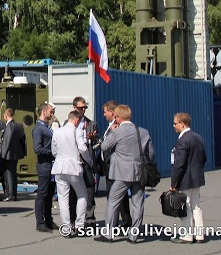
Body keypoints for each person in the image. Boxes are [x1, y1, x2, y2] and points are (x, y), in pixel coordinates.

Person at [95, 104, 155, 244]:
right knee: (138, 203)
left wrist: (111, 133)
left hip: (122, 173)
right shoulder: (143, 132)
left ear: (118, 118)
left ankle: (109, 234)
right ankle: (134, 235)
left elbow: (104, 147)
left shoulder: (117, 132)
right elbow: (151, 154)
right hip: (138, 171)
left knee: (113, 202)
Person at [169, 112, 207, 243]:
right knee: (196, 206)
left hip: (185, 178)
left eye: (175, 123)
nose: (173, 125)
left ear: (182, 124)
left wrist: (173, 183)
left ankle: (187, 235)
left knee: (185, 206)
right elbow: (203, 158)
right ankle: (200, 235)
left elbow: (179, 164)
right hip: (197, 177)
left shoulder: (182, 140)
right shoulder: (198, 137)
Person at [52, 110, 90, 237]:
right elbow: (83, 149)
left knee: (63, 199)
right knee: (82, 195)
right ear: (77, 120)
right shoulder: (77, 131)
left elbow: (54, 151)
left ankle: (66, 226)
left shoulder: (57, 132)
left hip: (59, 167)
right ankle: (79, 225)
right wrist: (89, 161)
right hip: (73, 167)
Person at [66, 96, 98, 229]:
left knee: (89, 192)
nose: (83, 110)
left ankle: (89, 219)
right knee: (73, 193)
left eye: (85, 107)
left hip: (87, 162)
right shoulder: (67, 124)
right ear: (75, 108)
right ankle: (73, 220)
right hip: (74, 161)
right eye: (81, 107)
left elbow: (97, 143)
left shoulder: (91, 124)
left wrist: (93, 139)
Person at [99, 100, 130, 228]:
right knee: (115, 195)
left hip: (114, 165)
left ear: (112, 113)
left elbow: (108, 145)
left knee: (115, 195)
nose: (104, 114)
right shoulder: (111, 126)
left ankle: (118, 223)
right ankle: (119, 221)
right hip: (108, 165)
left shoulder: (116, 127)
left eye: (105, 112)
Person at [33, 102, 56, 232]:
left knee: (49, 194)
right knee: (42, 194)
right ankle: (40, 223)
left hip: (51, 165)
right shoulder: (38, 129)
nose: (52, 114)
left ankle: (48, 220)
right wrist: (53, 153)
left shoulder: (47, 127)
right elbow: (37, 148)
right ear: (44, 112)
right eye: (51, 111)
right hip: (44, 165)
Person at [0, 108, 26, 201]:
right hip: (16, 154)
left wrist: (3, 154)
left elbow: (7, 141)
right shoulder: (19, 125)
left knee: (9, 175)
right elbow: (23, 140)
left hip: (8, 155)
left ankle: (10, 195)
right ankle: (14, 194)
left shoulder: (9, 126)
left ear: (6, 116)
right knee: (14, 174)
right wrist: (23, 152)